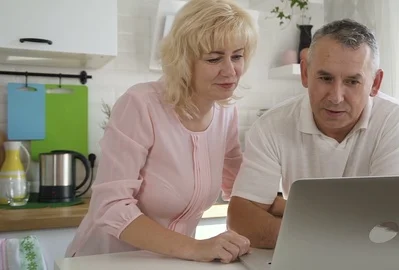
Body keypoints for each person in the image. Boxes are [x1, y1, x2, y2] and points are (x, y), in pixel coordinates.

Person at [65, 0, 258, 263]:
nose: (230, 70)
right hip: (105, 261)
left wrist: (297, 207)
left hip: (170, 263)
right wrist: (196, 248)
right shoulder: (140, 104)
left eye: (237, 56)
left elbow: (241, 184)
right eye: (214, 58)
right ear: (183, 61)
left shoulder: (226, 114)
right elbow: (110, 206)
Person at [227, 18, 399, 249]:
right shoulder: (271, 126)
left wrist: (297, 222)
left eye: (352, 81)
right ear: (306, 73)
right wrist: (333, 234)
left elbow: (390, 222)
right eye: (325, 78)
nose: (336, 97)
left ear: (375, 83)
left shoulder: (397, 122)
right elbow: (240, 218)